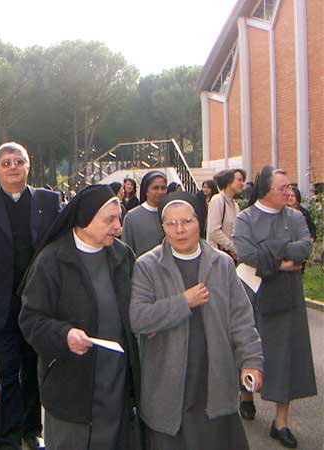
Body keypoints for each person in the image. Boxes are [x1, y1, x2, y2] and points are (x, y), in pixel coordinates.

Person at [130, 191, 264, 450]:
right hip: (167, 382)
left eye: (187, 221)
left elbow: (241, 320)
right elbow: (138, 318)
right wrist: (183, 302)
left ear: (199, 222)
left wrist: (251, 362)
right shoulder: (147, 266)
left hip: (213, 378)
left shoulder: (222, 264)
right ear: (162, 227)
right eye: (171, 223)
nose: (180, 229)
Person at [19, 184, 143, 450]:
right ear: (85, 218)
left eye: (119, 218)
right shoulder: (52, 261)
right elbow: (31, 319)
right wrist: (64, 335)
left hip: (117, 385)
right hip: (72, 386)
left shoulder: (123, 256)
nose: (118, 227)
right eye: (109, 220)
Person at [0, 142, 61, 450]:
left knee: (33, 372)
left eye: (19, 161)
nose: (13, 167)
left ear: (28, 166)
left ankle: (32, 431)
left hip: (38, 306)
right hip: (0, 308)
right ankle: (6, 440)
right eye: (6, 163)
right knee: (5, 376)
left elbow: (60, 248)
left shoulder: (49, 201)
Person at [233, 166, 317, 449]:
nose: (289, 193)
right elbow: (246, 253)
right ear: (265, 191)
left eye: (289, 187)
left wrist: (268, 251)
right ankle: (246, 393)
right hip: (253, 293)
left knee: (286, 356)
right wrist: (281, 261)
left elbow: (305, 247)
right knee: (248, 347)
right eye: (282, 188)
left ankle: (281, 422)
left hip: (287, 295)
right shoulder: (245, 219)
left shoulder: (295, 217)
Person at [122, 170, 167, 257]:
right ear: (146, 190)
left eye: (163, 188)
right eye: (155, 188)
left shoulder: (172, 215)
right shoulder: (132, 217)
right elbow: (127, 251)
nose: (160, 192)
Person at [206, 168, 246, 260]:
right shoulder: (217, 200)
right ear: (228, 182)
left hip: (230, 257)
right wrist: (233, 248)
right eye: (239, 180)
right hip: (217, 257)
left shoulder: (235, 205)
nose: (243, 184)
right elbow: (214, 231)